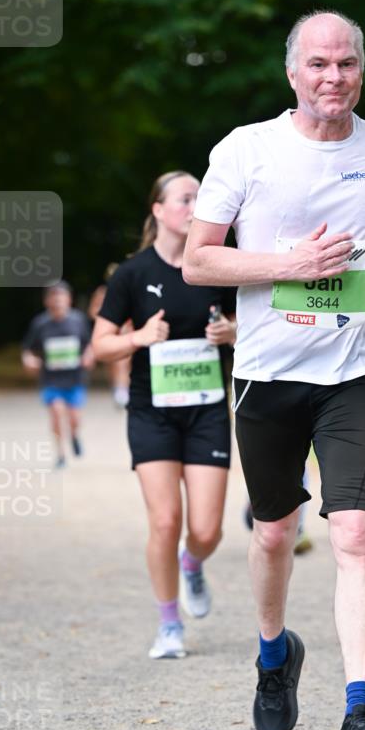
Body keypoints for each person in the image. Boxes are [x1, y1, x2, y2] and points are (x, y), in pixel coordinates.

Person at [184, 11, 365, 730]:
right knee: (273, 534)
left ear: (361, 69)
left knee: (355, 534)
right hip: (266, 375)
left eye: (346, 63)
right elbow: (198, 262)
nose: (333, 77)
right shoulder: (246, 149)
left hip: (355, 376)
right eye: (318, 64)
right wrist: (287, 266)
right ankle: (271, 652)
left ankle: (359, 710)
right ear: (292, 73)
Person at [92, 171, 237, 660]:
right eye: (185, 198)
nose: (195, 204)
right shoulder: (132, 274)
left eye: (202, 196)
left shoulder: (220, 267)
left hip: (207, 413)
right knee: (165, 520)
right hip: (152, 412)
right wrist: (138, 338)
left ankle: (193, 564)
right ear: (158, 211)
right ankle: (169, 625)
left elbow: (256, 327)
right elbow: (100, 345)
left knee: (207, 529)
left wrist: (231, 333)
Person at [21, 282, 94, 468]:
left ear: (69, 300)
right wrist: (29, 360)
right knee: (56, 413)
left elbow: (90, 344)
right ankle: (60, 454)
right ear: (47, 301)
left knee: (74, 418)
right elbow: (27, 350)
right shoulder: (40, 324)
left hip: (75, 379)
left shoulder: (78, 320)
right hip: (50, 380)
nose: (58, 302)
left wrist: (88, 356)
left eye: (61, 298)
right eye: (54, 298)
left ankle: (75, 435)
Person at [89, 263, 132, 408]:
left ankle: (123, 389)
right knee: (113, 363)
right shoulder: (102, 292)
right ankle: (118, 388)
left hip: (127, 331)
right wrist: (106, 321)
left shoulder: (130, 290)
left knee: (124, 362)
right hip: (110, 332)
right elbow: (93, 310)